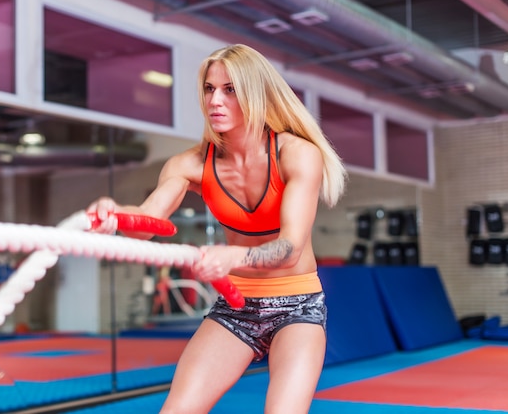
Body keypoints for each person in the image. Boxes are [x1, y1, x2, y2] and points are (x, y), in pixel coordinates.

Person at [87, 43, 346, 414]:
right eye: (210, 89)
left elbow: (290, 249)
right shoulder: (189, 164)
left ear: (255, 94)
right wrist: (117, 215)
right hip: (235, 307)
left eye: (230, 89)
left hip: (298, 306)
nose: (215, 100)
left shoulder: (296, 153)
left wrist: (233, 256)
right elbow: (146, 223)